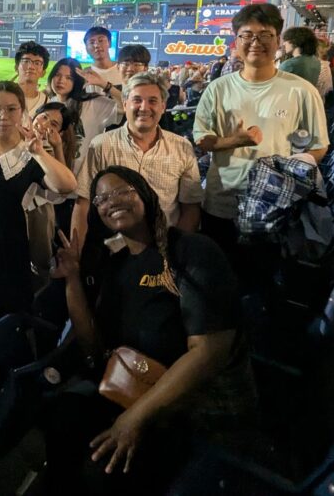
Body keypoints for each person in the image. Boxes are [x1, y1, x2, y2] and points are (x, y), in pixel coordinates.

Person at [43, 166, 254, 495]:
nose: (112, 201)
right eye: (102, 198)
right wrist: (72, 279)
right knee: (61, 420)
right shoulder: (118, 266)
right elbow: (94, 349)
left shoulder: (193, 251)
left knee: (98, 475)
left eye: (122, 191)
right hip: (137, 393)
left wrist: (133, 420)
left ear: (144, 194)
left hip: (194, 411)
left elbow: (209, 353)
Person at [194, 4, 328, 265]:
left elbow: (318, 147)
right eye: (247, 35)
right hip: (221, 204)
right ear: (237, 41)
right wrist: (236, 140)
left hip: (273, 213)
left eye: (265, 35)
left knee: (262, 287)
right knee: (219, 283)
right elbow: (202, 138)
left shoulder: (300, 91)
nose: (256, 42)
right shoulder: (217, 89)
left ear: (278, 41)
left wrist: (285, 180)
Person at [0, 82, 76, 336]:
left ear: (23, 111)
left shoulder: (30, 151)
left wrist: (40, 153)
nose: (3, 116)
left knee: (7, 313)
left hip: (10, 241)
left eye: (12, 109)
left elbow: (67, 186)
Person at [72, 72, 203, 248]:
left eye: (152, 101)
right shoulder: (101, 145)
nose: (144, 107)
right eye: (137, 100)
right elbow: (83, 202)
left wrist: (173, 251)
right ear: (125, 104)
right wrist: (76, 252)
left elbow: (190, 208)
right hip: (113, 251)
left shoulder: (182, 147)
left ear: (163, 106)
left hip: (164, 248)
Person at [78, 26, 124, 139]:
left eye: (101, 40)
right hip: (96, 135)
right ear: (86, 48)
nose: (97, 45)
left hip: (124, 131)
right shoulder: (84, 75)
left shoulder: (124, 69)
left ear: (109, 43)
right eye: (91, 42)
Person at [45, 57, 89, 171]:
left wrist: (104, 84)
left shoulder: (91, 103)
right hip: (51, 172)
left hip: (81, 174)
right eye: (57, 75)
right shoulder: (46, 103)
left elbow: (124, 103)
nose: (61, 81)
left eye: (69, 78)